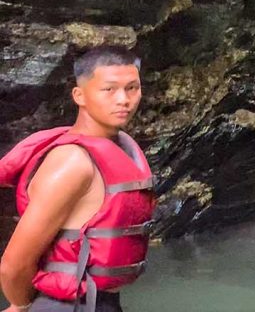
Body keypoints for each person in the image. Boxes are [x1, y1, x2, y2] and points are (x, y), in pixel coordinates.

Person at [0, 46, 155, 312]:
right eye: (109, 89)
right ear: (79, 95)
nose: (123, 99)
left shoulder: (122, 148)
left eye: (132, 88)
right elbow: (14, 264)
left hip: (100, 301)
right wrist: (21, 305)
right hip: (64, 305)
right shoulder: (73, 161)